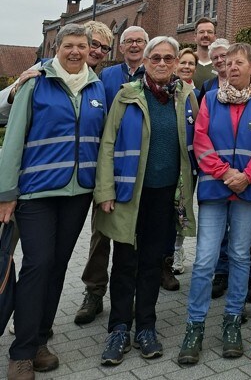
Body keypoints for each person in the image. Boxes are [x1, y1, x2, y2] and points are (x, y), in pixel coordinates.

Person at [0, 24, 107, 380]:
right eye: (68, 46)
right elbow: (13, 139)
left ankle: (40, 340)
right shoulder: (35, 82)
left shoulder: (96, 87)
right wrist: (6, 193)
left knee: (58, 266)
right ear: (56, 48)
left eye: (82, 46)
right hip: (37, 193)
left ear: (89, 50)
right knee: (38, 264)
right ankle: (21, 353)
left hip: (78, 193)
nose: (76, 51)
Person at [94, 36, 197, 366]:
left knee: (153, 262)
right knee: (125, 261)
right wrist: (105, 190)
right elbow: (108, 143)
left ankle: (146, 327)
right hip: (129, 194)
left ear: (177, 62)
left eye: (169, 58)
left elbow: (195, 144)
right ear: (146, 61)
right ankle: (119, 328)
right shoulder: (127, 95)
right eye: (156, 58)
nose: (162, 63)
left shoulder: (186, 97)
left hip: (164, 195)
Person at [178, 43, 251, 363]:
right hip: (215, 189)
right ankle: (195, 325)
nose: (232, 67)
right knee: (205, 260)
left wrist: (247, 176)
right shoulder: (210, 99)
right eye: (229, 63)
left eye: (239, 63)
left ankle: (232, 321)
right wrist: (225, 173)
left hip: (249, 190)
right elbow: (200, 140)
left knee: (239, 255)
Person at [75, 25, 151, 325]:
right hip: (107, 168)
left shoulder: (153, 74)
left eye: (139, 41)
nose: (134, 45)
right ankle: (94, 291)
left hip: (137, 169)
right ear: (120, 47)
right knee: (100, 233)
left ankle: (127, 293)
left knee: (133, 235)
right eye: (128, 41)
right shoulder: (106, 77)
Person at [0, 21, 113, 115]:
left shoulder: (96, 83)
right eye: (94, 44)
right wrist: (16, 91)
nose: (98, 51)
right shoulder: (43, 69)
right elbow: (3, 103)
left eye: (104, 48)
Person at [167, 47, 200, 278]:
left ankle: (177, 251)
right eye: (184, 62)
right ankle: (164, 253)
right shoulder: (166, 91)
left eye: (191, 64)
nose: (187, 67)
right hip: (167, 162)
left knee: (182, 210)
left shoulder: (195, 94)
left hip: (187, 165)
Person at [192, 17, 217, 89]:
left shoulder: (221, 63)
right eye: (201, 32)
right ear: (195, 37)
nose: (205, 35)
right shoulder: (186, 61)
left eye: (209, 32)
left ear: (215, 37)